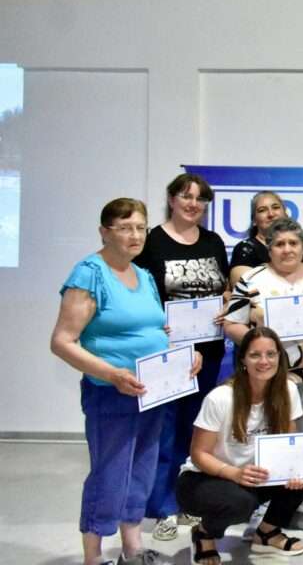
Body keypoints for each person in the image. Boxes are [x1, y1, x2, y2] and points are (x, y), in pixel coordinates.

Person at [51, 198, 199, 565]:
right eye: (125, 228)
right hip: (110, 393)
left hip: (153, 392)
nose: (135, 235)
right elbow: (62, 342)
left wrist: (183, 355)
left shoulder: (143, 275)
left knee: (142, 470)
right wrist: (112, 374)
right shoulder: (90, 273)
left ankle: (132, 549)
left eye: (140, 228)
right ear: (104, 232)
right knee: (110, 474)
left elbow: (153, 330)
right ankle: (93, 556)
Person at [223, 216, 303, 535]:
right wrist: (258, 343)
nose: (287, 249)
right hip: (266, 376)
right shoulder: (251, 279)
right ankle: (263, 508)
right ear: (269, 248)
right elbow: (231, 324)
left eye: (293, 243)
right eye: (279, 244)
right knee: (266, 439)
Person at [133, 174, 229, 541]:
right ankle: (162, 507)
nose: (193, 204)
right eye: (186, 196)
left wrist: (226, 305)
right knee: (164, 430)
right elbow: (141, 295)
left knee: (196, 430)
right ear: (172, 199)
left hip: (208, 351)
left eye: (200, 199)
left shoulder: (213, 241)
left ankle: (188, 499)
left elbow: (223, 289)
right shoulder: (152, 242)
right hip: (167, 353)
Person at [177, 328, 303, 564]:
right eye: (255, 355)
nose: (264, 361)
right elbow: (198, 454)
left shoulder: (288, 389)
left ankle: (267, 532)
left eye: (271, 354)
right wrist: (234, 473)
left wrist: (294, 471)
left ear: (279, 357)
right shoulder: (220, 397)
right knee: (241, 504)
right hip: (204, 477)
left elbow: (290, 445)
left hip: (253, 474)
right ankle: (204, 533)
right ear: (242, 360)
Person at [228, 191, 286, 289]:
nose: (271, 214)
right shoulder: (245, 249)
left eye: (275, 207)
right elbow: (244, 290)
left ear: (285, 214)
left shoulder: (302, 248)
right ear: (254, 220)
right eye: (262, 210)